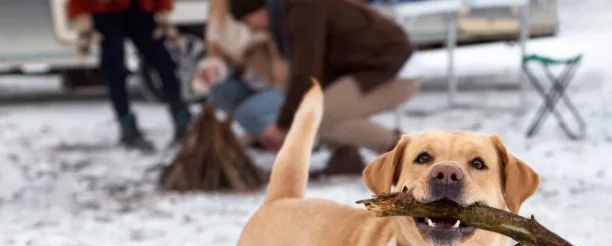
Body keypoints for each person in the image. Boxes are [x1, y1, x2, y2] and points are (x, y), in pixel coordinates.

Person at [229, 0, 420, 176]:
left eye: (246, 21)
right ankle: (345, 156)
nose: (250, 29)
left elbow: (307, 73)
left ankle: (409, 155)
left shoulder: (302, 10)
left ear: (258, 8)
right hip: (370, 70)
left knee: (322, 117)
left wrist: (283, 125)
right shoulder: (290, 12)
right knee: (319, 109)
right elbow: (310, 73)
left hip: (393, 70)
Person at [69, 0, 192, 151]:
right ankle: (127, 127)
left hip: (138, 8)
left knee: (163, 61)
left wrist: (164, 13)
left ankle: (182, 118)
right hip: (105, 10)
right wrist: (82, 21)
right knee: (115, 69)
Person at [194, 0, 288, 149]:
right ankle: (260, 131)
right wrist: (213, 69)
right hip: (250, 80)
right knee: (220, 92)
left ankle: (290, 134)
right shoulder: (219, 8)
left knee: (246, 114)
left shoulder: (268, 9)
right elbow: (217, 51)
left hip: (282, 84)